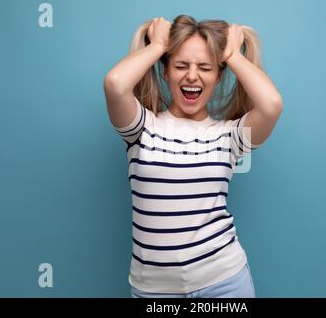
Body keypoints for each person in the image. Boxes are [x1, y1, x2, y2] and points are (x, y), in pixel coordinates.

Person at [104, 15, 283, 298]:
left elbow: (271, 105)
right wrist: (159, 45)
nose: (192, 76)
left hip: (224, 282)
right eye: (180, 65)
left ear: (218, 76)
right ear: (165, 72)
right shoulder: (141, 128)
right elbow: (115, 84)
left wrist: (233, 54)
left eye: (205, 67)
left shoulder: (229, 136)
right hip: (154, 291)